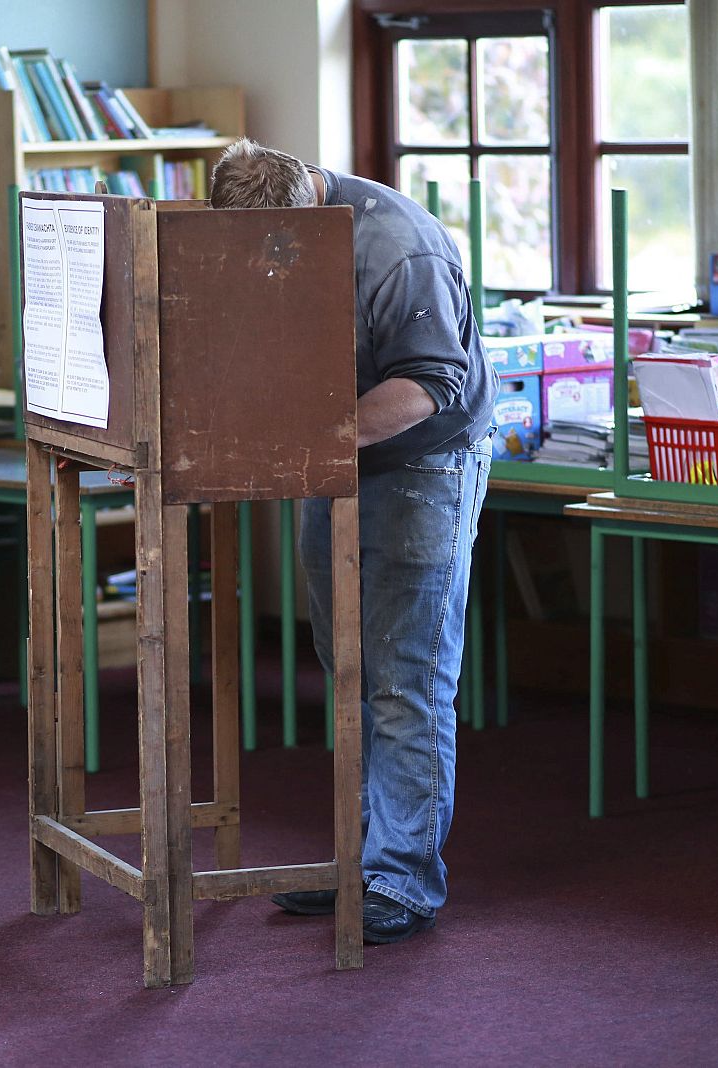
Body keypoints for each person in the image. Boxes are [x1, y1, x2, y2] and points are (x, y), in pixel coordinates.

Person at [209, 139, 495, 944]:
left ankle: (403, 880)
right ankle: (357, 860)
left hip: (424, 461)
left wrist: (312, 434)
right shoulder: (270, 226)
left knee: (406, 678)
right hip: (339, 457)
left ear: (312, 205)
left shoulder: (400, 250)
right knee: (347, 670)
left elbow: (429, 384)